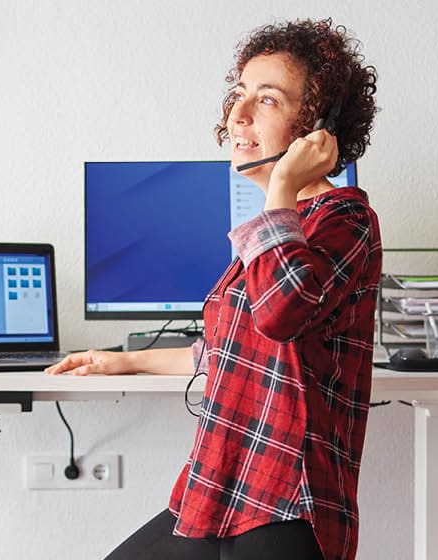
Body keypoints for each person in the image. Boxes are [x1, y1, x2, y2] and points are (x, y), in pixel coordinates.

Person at [45, 19, 381, 560]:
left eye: (267, 99)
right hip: (221, 487)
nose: (238, 116)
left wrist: (280, 189)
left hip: (287, 498)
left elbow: (281, 314)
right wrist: (122, 362)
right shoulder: (284, 226)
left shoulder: (345, 220)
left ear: (316, 127)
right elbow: (231, 348)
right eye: (238, 94)